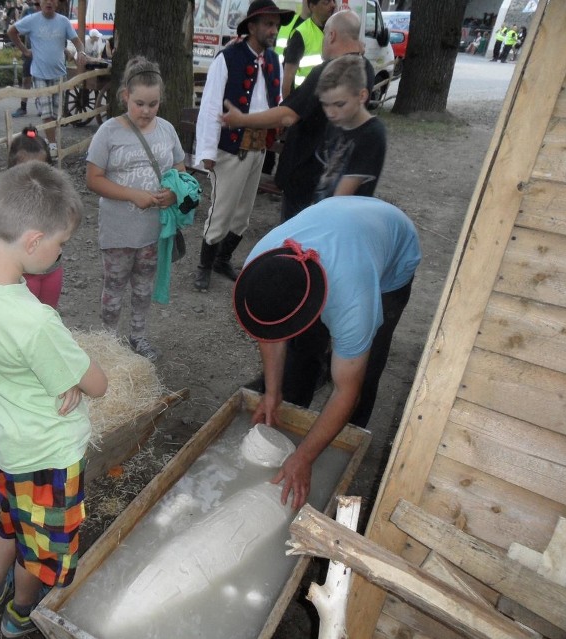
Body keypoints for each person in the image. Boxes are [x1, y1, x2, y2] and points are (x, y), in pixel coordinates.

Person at [0, 161, 108, 638]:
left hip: (5, 446)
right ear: (35, 240)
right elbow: (98, 383)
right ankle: (22, 610)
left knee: (12, 520)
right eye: (61, 244)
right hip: (47, 458)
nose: (61, 254)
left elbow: (7, 360)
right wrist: (74, 378)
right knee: (41, 551)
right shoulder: (35, 321)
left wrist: (54, 377)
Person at [234, 196, 421, 509]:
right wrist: (272, 393)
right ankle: (295, 402)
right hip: (340, 223)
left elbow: (347, 389)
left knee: (366, 367)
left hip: (392, 251)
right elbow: (270, 335)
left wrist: (304, 457)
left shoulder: (354, 304)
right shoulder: (261, 266)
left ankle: (350, 435)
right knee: (304, 352)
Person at [222, 10, 374, 222]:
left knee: (297, 237)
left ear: (331, 36)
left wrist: (242, 120)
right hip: (337, 171)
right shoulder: (365, 68)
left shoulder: (329, 72)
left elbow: (287, 116)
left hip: (307, 174)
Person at [86, 57, 186, 362]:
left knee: (144, 286)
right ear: (125, 95)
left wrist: (173, 191)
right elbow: (92, 178)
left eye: (153, 104)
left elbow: (179, 166)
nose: (146, 110)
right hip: (118, 231)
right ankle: (108, 341)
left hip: (153, 231)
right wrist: (132, 195)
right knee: (114, 287)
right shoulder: (108, 132)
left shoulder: (167, 130)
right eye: (140, 103)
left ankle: (139, 336)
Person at [192, 0, 292, 292]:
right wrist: (207, 153)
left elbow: (277, 103)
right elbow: (211, 107)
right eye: (268, 24)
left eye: (276, 24)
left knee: (243, 214)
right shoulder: (228, 58)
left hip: (259, 148)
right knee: (221, 213)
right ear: (252, 26)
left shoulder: (274, 60)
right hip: (231, 148)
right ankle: (204, 266)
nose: (273, 30)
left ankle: (223, 259)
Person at [7, 0, 85, 159]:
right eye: (45, 0)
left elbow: (77, 42)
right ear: (40, 3)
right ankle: (53, 146)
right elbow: (11, 31)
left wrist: (81, 52)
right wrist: (25, 50)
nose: (49, 2)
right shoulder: (32, 20)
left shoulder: (63, 22)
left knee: (56, 113)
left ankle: (51, 142)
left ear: (56, 3)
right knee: (47, 112)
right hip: (39, 73)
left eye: (52, 0)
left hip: (59, 74)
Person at [313, 54, 386, 201]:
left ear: (362, 96)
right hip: (322, 210)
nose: (330, 113)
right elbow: (321, 176)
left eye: (340, 105)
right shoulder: (336, 124)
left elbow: (341, 196)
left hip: (344, 217)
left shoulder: (371, 134)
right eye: (325, 104)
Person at [8, 125, 65, 308]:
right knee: (24, 316)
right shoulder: (6, 197)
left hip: (52, 269)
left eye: (39, 168)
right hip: (22, 273)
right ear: (12, 167)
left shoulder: (56, 191)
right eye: (25, 169)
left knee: (49, 313)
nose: (32, 175)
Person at [281, 0, 334, 98]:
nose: (332, 5)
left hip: (328, 99)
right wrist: (288, 107)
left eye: (333, 1)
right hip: (305, 101)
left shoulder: (335, 30)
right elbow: (288, 78)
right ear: (312, 6)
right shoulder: (301, 33)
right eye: (326, 2)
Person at [10, 0, 36, 118]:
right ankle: (23, 106)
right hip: (30, 52)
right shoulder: (28, 11)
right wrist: (24, 50)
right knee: (26, 79)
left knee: (43, 79)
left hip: (43, 53)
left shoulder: (51, 10)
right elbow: (18, 27)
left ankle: (42, 107)